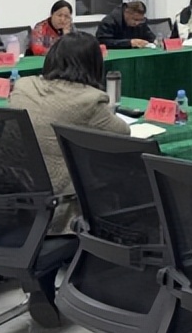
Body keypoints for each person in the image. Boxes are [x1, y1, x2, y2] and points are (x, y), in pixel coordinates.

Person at [8, 32, 129, 234]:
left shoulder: (23, 86)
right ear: (94, 65)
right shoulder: (89, 99)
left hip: (19, 196)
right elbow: (123, 133)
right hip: (60, 206)